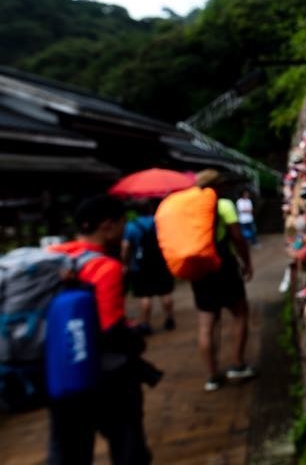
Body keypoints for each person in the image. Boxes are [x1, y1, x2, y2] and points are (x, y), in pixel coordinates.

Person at [48, 195, 153, 465]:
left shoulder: (53, 258)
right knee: (129, 449)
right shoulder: (105, 267)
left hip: (63, 375)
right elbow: (110, 330)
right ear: (107, 226)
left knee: (69, 454)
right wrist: (137, 340)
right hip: (108, 379)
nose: (123, 231)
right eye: (121, 224)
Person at [192, 170, 256, 391]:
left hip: (199, 270)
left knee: (207, 323)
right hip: (222, 265)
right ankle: (237, 364)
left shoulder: (191, 209)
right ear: (218, 186)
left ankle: (211, 376)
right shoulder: (223, 205)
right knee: (239, 313)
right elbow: (237, 238)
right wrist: (246, 262)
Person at [122, 200, 176, 335]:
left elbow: (125, 247)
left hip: (140, 266)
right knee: (165, 293)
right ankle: (169, 318)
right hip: (160, 263)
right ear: (150, 208)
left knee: (145, 296)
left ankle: (146, 323)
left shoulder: (131, 226)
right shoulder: (159, 222)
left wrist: (125, 263)